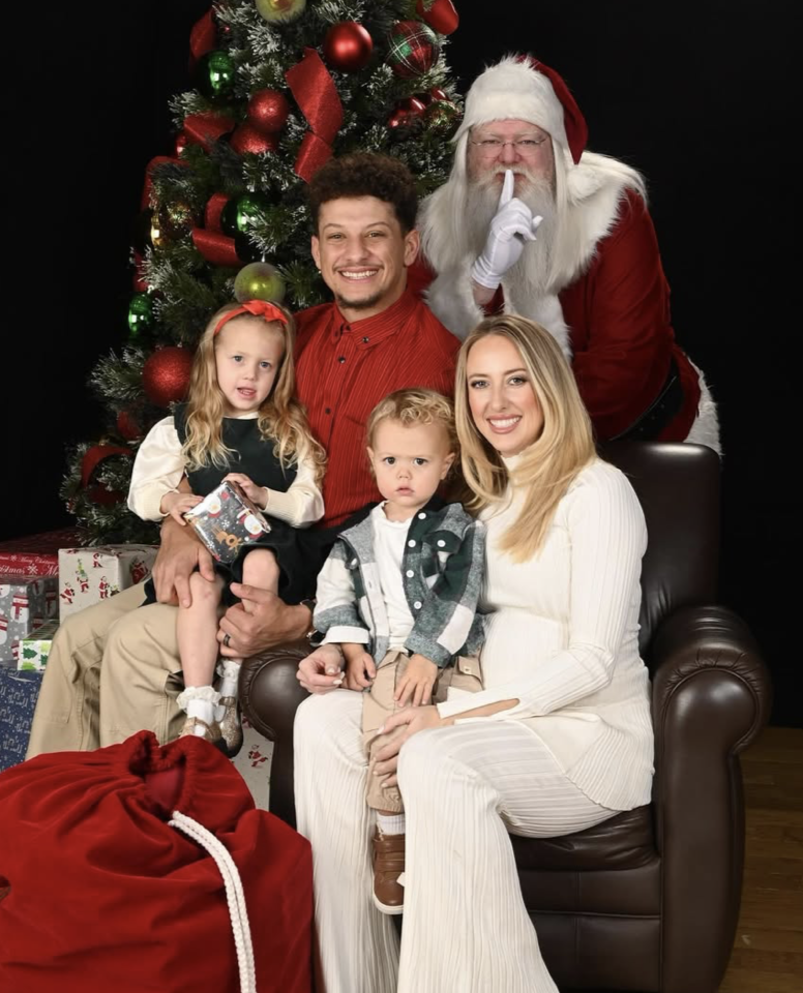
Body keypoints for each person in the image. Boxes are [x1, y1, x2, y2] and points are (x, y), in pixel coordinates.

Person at [294, 314, 654, 993]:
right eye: (479, 383)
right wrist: (339, 647)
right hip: (478, 716)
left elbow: (590, 661)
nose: (497, 400)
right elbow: (405, 608)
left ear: (550, 387)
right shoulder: (474, 500)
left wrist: (450, 723)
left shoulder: (599, 492)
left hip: (583, 740)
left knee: (433, 759)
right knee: (322, 722)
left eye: (516, 379)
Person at [27, 152, 460, 757]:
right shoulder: (285, 337)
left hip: (329, 573)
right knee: (75, 639)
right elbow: (206, 434)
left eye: (375, 236)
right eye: (337, 237)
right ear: (315, 251)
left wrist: (305, 615)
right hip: (229, 545)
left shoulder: (441, 363)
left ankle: (144, 836)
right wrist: (183, 528)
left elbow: (438, 532)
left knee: (132, 643)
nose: (354, 254)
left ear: (410, 247)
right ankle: (52, 829)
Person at [414, 54, 720, 451]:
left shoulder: (612, 208)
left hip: (633, 437)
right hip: (499, 446)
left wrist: (519, 437)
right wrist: (481, 283)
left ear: (555, 152)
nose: (508, 158)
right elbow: (422, 358)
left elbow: (625, 362)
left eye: (527, 141)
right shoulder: (435, 224)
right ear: (467, 154)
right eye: (490, 142)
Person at [312, 388, 485, 914]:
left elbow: (462, 590)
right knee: (387, 728)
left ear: (446, 464)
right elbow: (333, 593)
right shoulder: (357, 537)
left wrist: (428, 652)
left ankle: (450, 838)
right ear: (371, 463)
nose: (404, 473)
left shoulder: (456, 527)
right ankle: (392, 836)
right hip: (390, 657)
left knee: (461, 732)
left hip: (451, 653)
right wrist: (350, 644)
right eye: (391, 460)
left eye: (419, 461)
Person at [127, 299, 325, 752]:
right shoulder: (187, 425)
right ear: (212, 359)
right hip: (211, 543)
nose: (250, 375)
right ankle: (200, 708)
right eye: (237, 359)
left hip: (267, 542)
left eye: (265, 365)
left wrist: (264, 497)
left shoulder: (289, 429)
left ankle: (232, 687)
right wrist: (172, 499)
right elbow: (141, 491)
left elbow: (310, 504)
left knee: (260, 564)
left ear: (280, 372)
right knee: (198, 588)